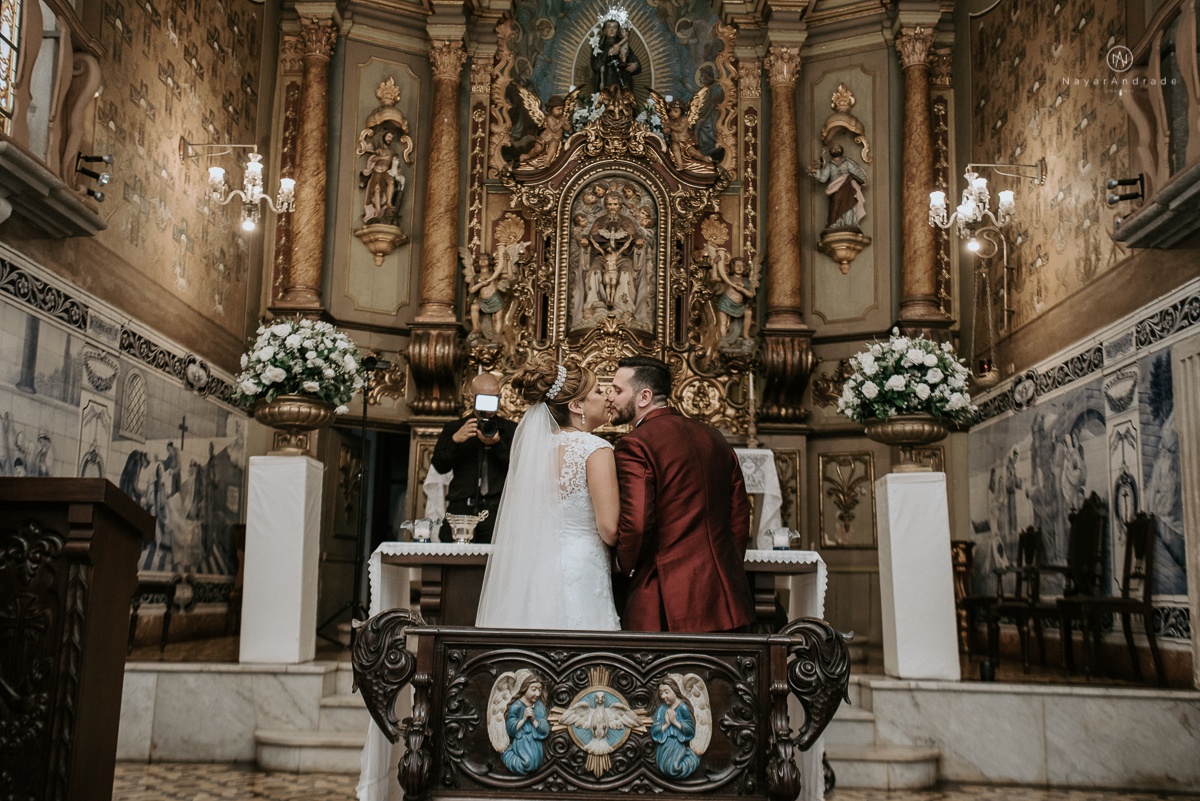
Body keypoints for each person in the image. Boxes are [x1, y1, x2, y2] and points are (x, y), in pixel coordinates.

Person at [607, 355, 753, 632]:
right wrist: (728, 566)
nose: (609, 397)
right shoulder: (715, 437)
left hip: (665, 598)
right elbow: (739, 516)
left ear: (644, 397)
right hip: (727, 596)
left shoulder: (634, 444)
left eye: (617, 390)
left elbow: (637, 523)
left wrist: (622, 567)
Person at [475, 354, 621, 630]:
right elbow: (610, 529)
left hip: (536, 569)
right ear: (577, 405)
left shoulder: (536, 450)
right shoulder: (596, 449)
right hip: (581, 568)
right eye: (599, 392)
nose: (607, 398)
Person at [431, 373, 518, 544]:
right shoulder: (454, 428)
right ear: (472, 397)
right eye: (484, 399)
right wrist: (455, 440)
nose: (490, 406)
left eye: (494, 399)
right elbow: (440, 466)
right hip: (460, 509)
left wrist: (498, 444)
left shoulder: (510, 430)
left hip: (497, 510)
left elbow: (520, 468)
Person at [651, 678, 700, 778]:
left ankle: (691, 759)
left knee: (673, 768)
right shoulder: (662, 709)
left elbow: (690, 730)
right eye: (660, 693)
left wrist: (675, 722)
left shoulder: (682, 707)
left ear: (675, 691)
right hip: (664, 745)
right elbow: (655, 729)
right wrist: (666, 725)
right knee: (664, 767)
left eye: (666, 692)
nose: (663, 696)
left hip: (677, 744)